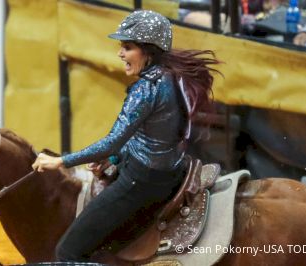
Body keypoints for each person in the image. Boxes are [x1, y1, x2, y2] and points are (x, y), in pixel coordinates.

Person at [32, 10, 220, 262]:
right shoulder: (171, 77)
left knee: (67, 251)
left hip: (142, 180)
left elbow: (112, 141)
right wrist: (116, 159)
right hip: (169, 172)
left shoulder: (145, 88)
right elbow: (153, 135)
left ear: (149, 51)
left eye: (128, 47)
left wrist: (61, 161)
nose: (120, 53)